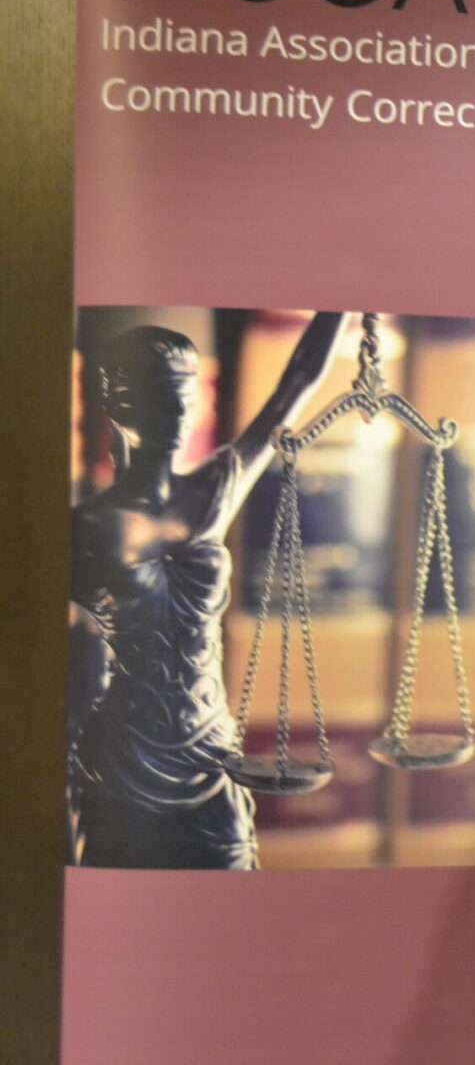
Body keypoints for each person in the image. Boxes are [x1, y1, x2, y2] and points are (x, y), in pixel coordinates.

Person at [70, 311, 347, 869]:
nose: (178, 411)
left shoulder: (216, 490)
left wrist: (344, 307)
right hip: (124, 756)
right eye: (161, 396)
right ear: (123, 407)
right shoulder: (87, 528)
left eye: (187, 395)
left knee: (231, 877)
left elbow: (297, 382)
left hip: (211, 752)